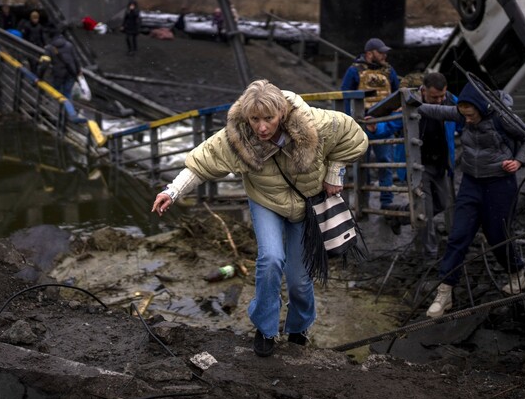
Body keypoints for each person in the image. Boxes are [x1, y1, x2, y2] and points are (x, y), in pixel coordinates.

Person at [151, 80, 368, 357]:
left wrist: (335, 171)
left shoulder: (314, 122)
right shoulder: (237, 136)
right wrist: (172, 191)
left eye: (269, 119)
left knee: (299, 279)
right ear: (246, 117)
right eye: (255, 119)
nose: (262, 127)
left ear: (282, 113)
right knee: (271, 260)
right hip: (266, 202)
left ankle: (299, 328)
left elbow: (354, 135)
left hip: (306, 206)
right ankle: (265, 328)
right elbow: (203, 161)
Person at [414, 82, 525, 318]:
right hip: (471, 182)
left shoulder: (504, 117)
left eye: (471, 116)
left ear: (483, 107)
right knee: (458, 234)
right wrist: (412, 104)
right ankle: (445, 292)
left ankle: (516, 273)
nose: (466, 121)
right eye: (464, 115)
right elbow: (437, 111)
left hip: (500, 182)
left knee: (497, 235)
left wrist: (519, 161)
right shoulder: (462, 112)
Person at [368, 72, 458, 257]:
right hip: (418, 165)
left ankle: (397, 216)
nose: (439, 101)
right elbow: (392, 124)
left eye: (442, 96)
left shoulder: (451, 100)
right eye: (435, 97)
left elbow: (466, 113)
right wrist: (376, 128)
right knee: (425, 209)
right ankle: (429, 253)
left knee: (442, 203)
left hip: (441, 163)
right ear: (423, 90)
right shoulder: (410, 102)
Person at [339, 37, 401, 212]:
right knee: (361, 165)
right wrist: (349, 123)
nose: (384, 55)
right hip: (362, 124)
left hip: (383, 124)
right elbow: (345, 97)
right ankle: (362, 203)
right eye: (380, 52)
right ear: (369, 53)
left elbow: (397, 94)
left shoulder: (389, 71)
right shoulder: (354, 70)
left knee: (385, 162)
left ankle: (387, 202)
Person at [45, 25, 82, 100]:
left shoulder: (49, 48)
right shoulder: (69, 45)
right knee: (67, 93)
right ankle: (68, 110)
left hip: (58, 73)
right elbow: (75, 59)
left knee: (57, 92)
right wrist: (78, 70)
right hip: (71, 71)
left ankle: (58, 109)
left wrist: (39, 76)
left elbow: (45, 63)